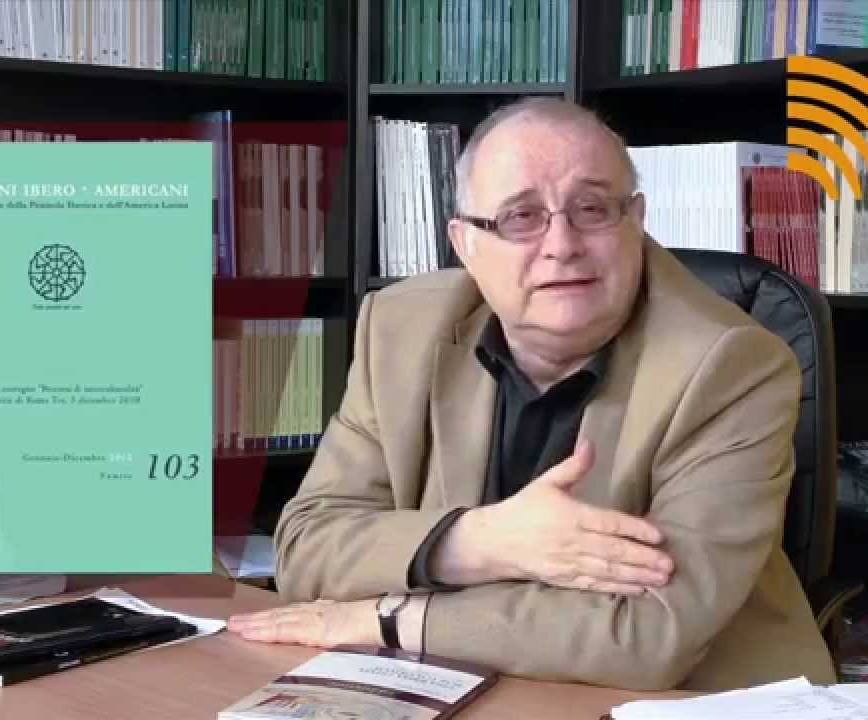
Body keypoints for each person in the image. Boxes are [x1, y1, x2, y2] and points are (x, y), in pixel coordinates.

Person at [227, 97, 836, 692]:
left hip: (680, 698)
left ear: (636, 219)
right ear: (465, 243)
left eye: (592, 208)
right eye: (521, 216)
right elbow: (307, 549)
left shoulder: (733, 365)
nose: (562, 244)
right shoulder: (400, 329)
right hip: (456, 682)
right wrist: (484, 542)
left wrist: (388, 618)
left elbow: (648, 636)